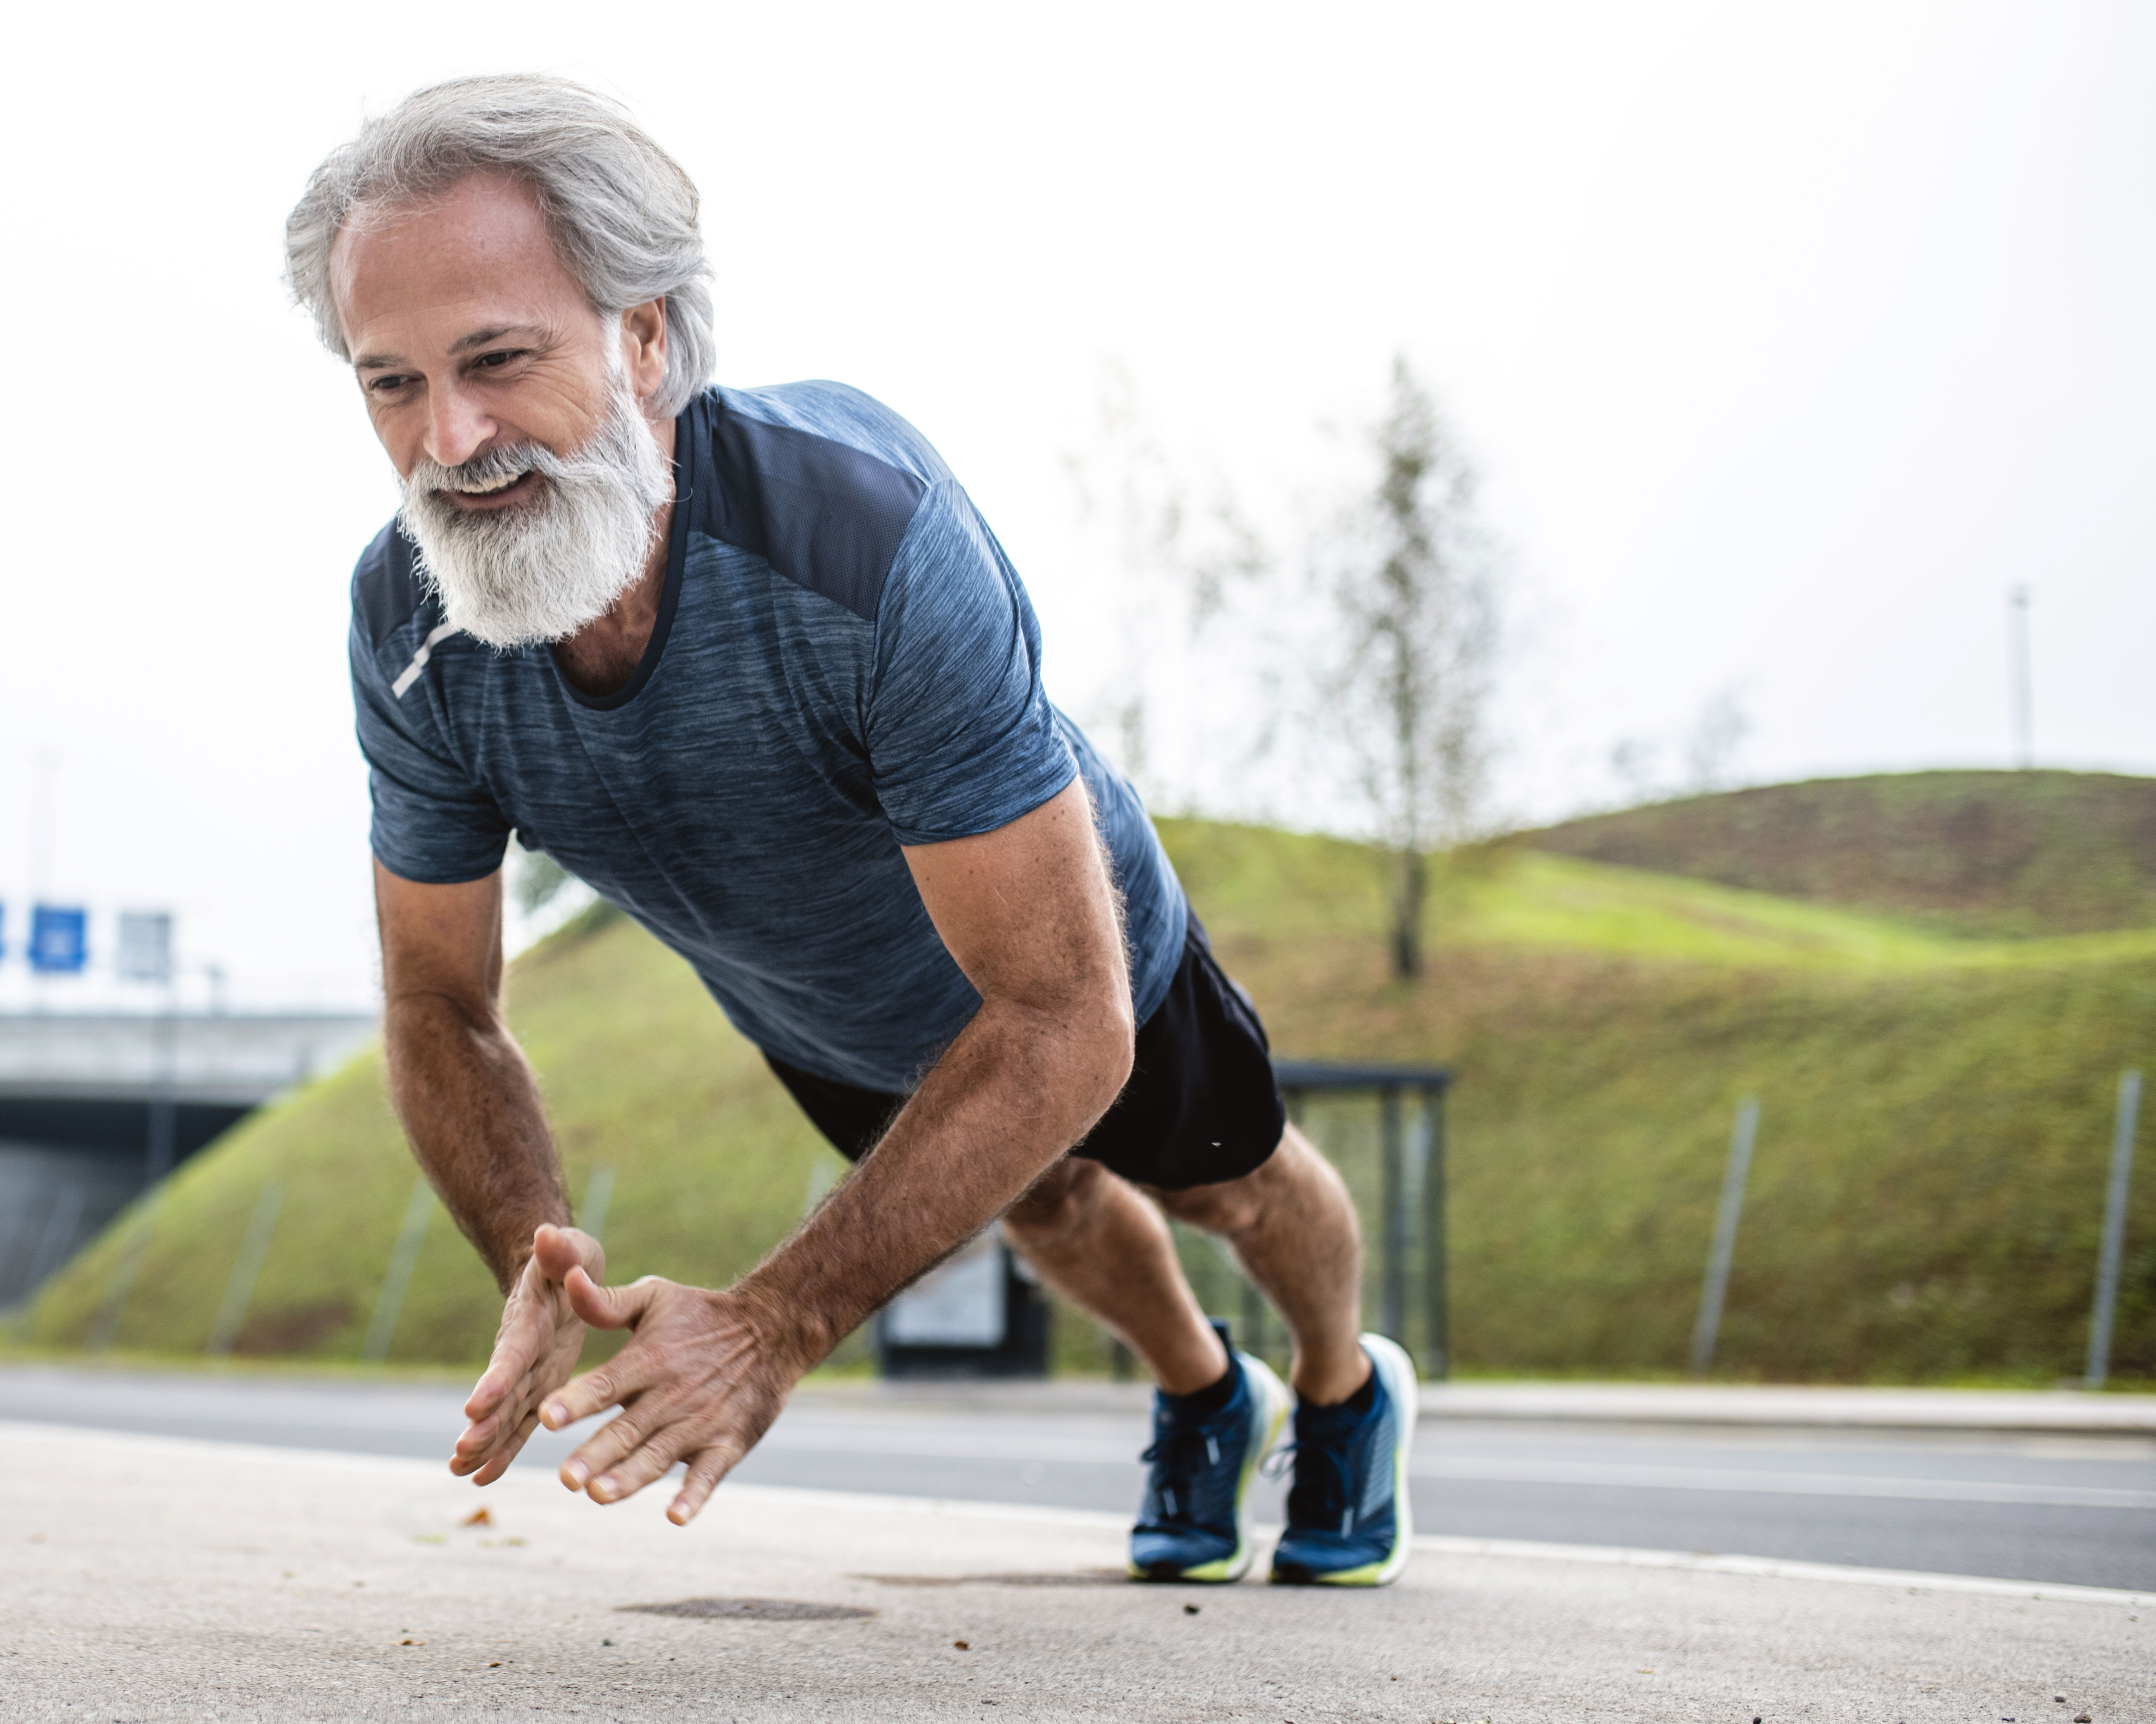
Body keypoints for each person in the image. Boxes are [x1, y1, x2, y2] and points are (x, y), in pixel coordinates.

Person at [286, 74, 1416, 1586]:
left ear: (646, 336)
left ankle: (1344, 1390)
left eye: (496, 359)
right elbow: (438, 999)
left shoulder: (864, 538)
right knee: (1049, 1203)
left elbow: (1061, 1020)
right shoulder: (405, 623)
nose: (450, 439)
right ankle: (1206, 1395)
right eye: (392, 384)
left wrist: (774, 1320)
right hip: (825, 1007)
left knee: (1228, 1181)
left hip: (1077, 962)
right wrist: (529, 1252)